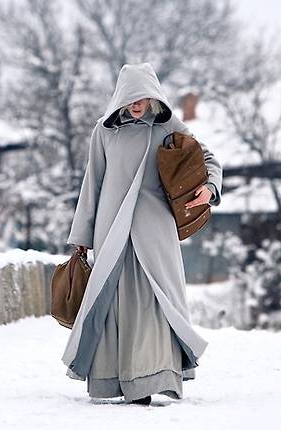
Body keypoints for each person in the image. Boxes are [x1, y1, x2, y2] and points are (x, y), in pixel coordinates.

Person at [62, 62, 223, 406]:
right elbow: (93, 183)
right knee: (114, 303)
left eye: (144, 97)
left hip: (155, 227)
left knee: (156, 300)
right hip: (111, 227)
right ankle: (114, 380)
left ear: (154, 96)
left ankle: (151, 377)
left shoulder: (167, 127)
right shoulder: (104, 131)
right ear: (121, 97)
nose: (137, 104)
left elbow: (206, 157)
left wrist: (209, 187)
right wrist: (82, 237)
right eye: (132, 97)